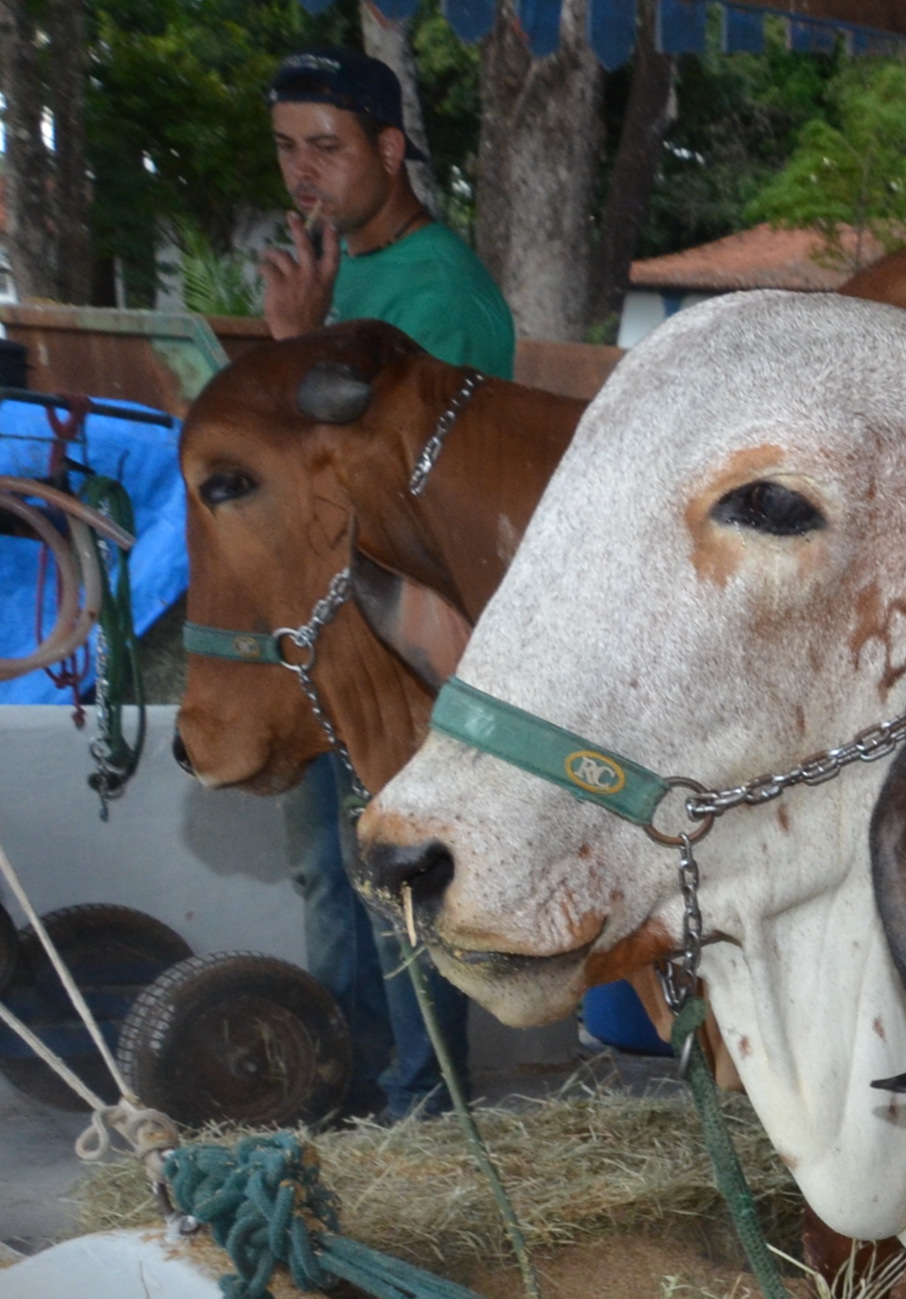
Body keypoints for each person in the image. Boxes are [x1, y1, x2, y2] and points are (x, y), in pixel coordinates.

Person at [256, 47, 509, 1122]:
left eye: (327, 146)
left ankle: (424, 1113)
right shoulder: (330, 275)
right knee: (327, 872)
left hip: (400, 627)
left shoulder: (441, 289)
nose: (302, 172)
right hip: (323, 626)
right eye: (286, 148)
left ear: (391, 149)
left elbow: (408, 483)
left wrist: (292, 347)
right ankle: (342, 1092)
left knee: (391, 875)